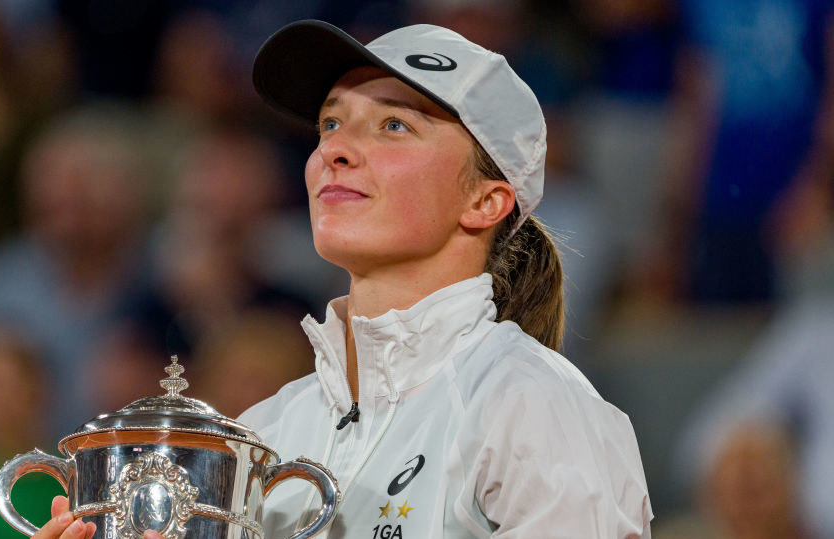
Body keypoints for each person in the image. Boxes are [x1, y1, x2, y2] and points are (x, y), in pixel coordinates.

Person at [32, 19, 652, 539]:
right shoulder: (267, 430)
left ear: (486, 203)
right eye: (331, 123)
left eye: (394, 126)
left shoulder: (533, 408)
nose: (336, 149)